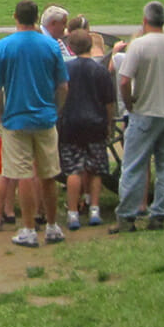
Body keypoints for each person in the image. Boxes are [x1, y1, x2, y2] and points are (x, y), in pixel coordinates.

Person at [0, 0, 70, 247]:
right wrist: (56, 109)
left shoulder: (3, 47)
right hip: (45, 117)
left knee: (22, 174)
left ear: (15, 17)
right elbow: (63, 85)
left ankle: (28, 228)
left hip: (15, 118)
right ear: (36, 18)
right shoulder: (51, 46)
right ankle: (53, 226)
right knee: (48, 174)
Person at [112, 1, 164, 233]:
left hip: (145, 110)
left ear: (145, 20)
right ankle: (159, 215)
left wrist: (128, 103)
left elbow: (124, 80)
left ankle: (127, 216)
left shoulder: (139, 46)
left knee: (134, 165)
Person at [58, 27, 115, 231]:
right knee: (96, 169)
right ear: (91, 45)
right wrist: (108, 123)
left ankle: (73, 213)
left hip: (71, 123)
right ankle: (94, 210)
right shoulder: (100, 70)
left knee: (73, 169)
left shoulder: (65, 69)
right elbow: (109, 102)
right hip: (95, 123)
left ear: (70, 47)